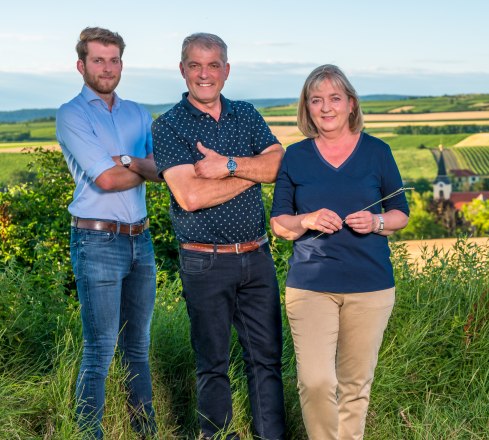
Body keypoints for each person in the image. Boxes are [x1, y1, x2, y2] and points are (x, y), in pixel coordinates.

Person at [152, 32, 285, 440]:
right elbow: (190, 196)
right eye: (195, 65)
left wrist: (228, 165)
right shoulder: (168, 125)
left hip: (257, 256)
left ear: (227, 70)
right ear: (182, 70)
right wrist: (252, 171)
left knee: (267, 360)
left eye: (213, 65)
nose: (204, 74)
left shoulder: (246, 113)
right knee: (212, 365)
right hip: (204, 261)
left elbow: (279, 163)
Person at [270, 64, 409, 440]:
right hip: (310, 285)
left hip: (371, 287)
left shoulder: (378, 152)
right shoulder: (295, 156)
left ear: (351, 104)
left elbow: (400, 214)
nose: (326, 107)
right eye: (316, 100)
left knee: (354, 385)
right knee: (315, 381)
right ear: (307, 107)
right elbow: (280, 224)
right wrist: (308, 219)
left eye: (334, 98)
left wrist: (376, 222)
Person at [56, 27, 162, 439]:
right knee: (100, 350)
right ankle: (88, 434)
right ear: (81, 65)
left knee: (138, 347)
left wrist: (126, 160)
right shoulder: (72, 114)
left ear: (121, 64)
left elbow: (161, 171)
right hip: (96, 241)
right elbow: (106, 180)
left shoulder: (138, 113)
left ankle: (145, 432)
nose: (107, 68)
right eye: (98, 60)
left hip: (141, 239)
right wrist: (138, 166)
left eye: (114, 59)